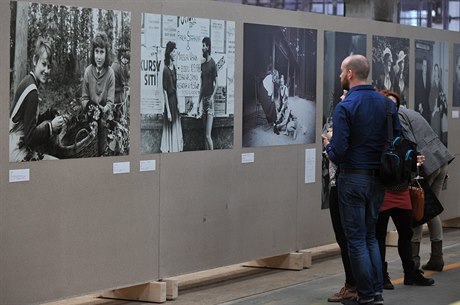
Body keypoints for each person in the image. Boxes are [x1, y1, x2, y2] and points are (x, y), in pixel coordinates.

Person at [323, 54, 400, 305]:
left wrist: (329, 148)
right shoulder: (386, 104)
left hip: (352, 178)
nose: (339, 76)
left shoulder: (345, 106)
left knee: (356, 240)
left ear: (350, 74)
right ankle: (375, 292)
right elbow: (396, 138)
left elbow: (340, 149)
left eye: (341, 71)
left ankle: (366, 295)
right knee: (370, 237)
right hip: (378, 179)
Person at [375, 90, 434, 290]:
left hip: (400, 190)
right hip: (382, 190)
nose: (392, 108)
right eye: (388, 104)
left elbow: (409, 156)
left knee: (406, 233)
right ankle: (382, 276)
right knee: (379, 235)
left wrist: (414, 161)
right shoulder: (375, 131)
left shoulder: (401, 131)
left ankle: (410, 273)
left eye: (395, 104)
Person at [401, 104, 455, 272]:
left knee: (418, 209)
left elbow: (410, 143)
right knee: (431, 210)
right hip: (440, 159)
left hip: (426, 164)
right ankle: (437, 258)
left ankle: (414, 261)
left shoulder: (398, 115)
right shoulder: (410, 112)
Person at [323, 90, 358, 303]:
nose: (341, 98)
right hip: (350, 183)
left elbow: (339, 153)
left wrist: (329, 144)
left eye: (346, 94)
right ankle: (358, 285)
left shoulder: (347, 118)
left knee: (346, 239)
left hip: (342, 184)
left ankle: (353, 286)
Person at [9, 37, 65, 162]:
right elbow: (30, 137)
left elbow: (28, 121)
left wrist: (47, 115)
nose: (47, 70)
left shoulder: (29, 81)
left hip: (16, 142)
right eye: (44, 64)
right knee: (57, 163)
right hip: (16, 149)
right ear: (35, 60)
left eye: (49, 66)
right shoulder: (32, 91)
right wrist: (51, 126)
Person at [81, 31, 115, 156]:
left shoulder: (110, 73)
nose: (99, 57)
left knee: (103, 146)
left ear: (106, 54)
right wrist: (89, 106)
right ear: (93, 53)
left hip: (105, 116)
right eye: (96, 52)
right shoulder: (88, 71)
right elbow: (84, 98)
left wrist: (103, 110)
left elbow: (110, 102)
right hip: (91, 114)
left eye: (102, 52)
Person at [160, 41, 183, 153]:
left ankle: (175, 148)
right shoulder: (165, 70)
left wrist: (178, 103)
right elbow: (164, 91)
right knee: (169, 126)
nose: (175, 53)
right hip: (169, 102)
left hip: (174, 101)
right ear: (169, 53)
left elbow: (176, 87)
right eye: (173, 51)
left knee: (176, 126)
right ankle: (169, 148)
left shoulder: (174, 68)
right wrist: (168, 111)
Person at [197, 36, 217, 150]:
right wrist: (198, 104)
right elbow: (202, 86)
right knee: (204, 135)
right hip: (203, 101)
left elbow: (217, 84)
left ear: (208, 47)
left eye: (204, 46)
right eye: (202, 45)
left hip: (209, 101)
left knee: (208, 135)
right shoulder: (203, 64)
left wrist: (212, 98)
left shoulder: (213, 64)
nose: (202, 48)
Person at [428, 63, 448, 145]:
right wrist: (434, 109)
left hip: (439, 113)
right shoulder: (433, 85)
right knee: (434, 134)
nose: (436, 72)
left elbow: (442, 99)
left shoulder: (440, 85)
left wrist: (441, 106)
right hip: (434, 114)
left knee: (438, 135)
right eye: (435, 70)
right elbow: (429, 100)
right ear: (434, 72)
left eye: (437, 70)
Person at [111, 45, 130, 124]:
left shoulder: (113, 65)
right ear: (121, 56)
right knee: (125, 107)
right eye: (124, 54)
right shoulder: (119, 67)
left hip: (112, 94)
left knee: (115, 114)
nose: (125, 60)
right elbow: (123, 83)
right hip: (118, 95)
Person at [415, 57, 431, 124]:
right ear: (422, 66)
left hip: (426, 105)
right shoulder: (418, 76)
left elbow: (428, 92)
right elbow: (417, 90)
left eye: (426, 66)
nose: (425, 68)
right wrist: (419, 103)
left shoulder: (428, 77)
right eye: (424, 66)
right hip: (419, 105)